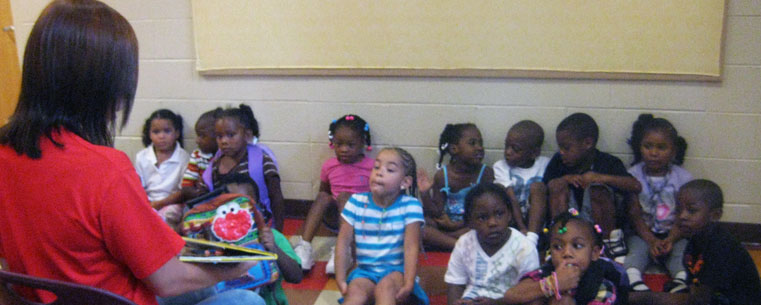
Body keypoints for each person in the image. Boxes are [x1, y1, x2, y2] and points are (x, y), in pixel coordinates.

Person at [0, 1, 264, 304]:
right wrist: (240, 264)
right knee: (246, 300)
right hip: (119, 298)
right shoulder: (103, 169)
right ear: (105, 86)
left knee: (204, 286)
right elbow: (167, 279)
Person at [629, 180, 761, 305]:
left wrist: (642, 298)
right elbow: (695, 285)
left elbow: (699, 300)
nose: (682, 216)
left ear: (715, 215)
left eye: (691, 211)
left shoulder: (722, 247)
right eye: (679, 210)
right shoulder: (694, 241)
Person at [335, 147, 429, 305]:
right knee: (355, 292)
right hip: (365, 272)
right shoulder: (356, 202)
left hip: (396, 272)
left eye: (390, 169)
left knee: (385, 289)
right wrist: (340, 277)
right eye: (376, 167)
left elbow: (411, 247)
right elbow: (343, 243)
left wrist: (409, 282)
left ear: (405, 182)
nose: (379, 172)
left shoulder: (410, 206)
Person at [543, 113, 641, 258]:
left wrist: (600, 177)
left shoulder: (607, 161)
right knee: (557, 185)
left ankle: (608, 243)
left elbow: (635, 186)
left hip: (599, 219)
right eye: (560, 148)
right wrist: (566, 179)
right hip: (570, 217)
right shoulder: (558, 161)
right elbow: (546, 187)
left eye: (566, 148)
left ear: (588, 143)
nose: (561, 152)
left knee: (597, 188)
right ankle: (559, 241)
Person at [292, 114, 374, 273]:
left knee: (344, 197)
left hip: (361, 219)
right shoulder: (329, 166)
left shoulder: (371, 166)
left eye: (350, 145)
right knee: (323, 196)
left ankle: (344, 250)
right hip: (335, 217)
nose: (344, 149)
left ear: (363, 143)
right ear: (332, 143)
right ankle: (305, 247)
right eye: (339, 144)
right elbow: (324, 191)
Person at [624, 114, 692, 293]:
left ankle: (681, 281)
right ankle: (634, 281)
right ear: (640, 147)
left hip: (675, 232)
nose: (654, 153)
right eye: (648, 146)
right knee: (636, 252)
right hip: (643, 232)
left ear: (673, 150)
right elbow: (634, 214)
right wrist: (651, 240)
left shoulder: (683, 178)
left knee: (681, 253)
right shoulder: (632, 175)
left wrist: (671, 239)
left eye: (661, 147)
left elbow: (683, 215)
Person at [504, 211, 629, 305]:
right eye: (557, 247)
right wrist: (554, 284)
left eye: (577, 246)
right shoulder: (547, 272)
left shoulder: (602, 283)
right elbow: (510, 296)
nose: (567, 253)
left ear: (595, 253)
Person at [445, 183, 539, 305]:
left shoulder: (524, 247)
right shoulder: (464, 243)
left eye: (499, 214)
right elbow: (455, 284)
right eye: (482, 217)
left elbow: (532, 293)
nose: (492, 223)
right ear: (469, 222)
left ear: (509, 215)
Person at [199, 104, 285, 231]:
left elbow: (276, 198)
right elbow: (208, 199)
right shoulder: (215, 165)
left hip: (258, 227)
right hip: (223, 227)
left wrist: (278, 232)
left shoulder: (261, 160)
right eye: (219, 136)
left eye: (231, 135)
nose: (224, 141)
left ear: (247, 135)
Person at [419, 123, 495, 250]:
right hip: (447, 224)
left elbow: (487, 211)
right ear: (454, 149)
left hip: (471, 224)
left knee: (483, 226)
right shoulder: (442, 176)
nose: (479, 148)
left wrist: (455, 226)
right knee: (422, 227)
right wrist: (425, 193)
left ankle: (447, 241)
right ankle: (457, 244)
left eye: (480, 143)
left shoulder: (486, 173)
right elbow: (436, 211)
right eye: (472, 143)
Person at [153, 108, 223, 228]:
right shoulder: (197, 156)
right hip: (197, 202)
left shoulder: (226, 157)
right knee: (187, 221)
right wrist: (198, 194)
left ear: (217, 135)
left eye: (202, 136)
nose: (197, 140)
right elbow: (186, 187)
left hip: (220, 205)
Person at [493, 120, 550, 245]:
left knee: (538, 187)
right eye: (506, 146)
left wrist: (528, 232)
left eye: (515, 149)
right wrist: (522, 228)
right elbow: (511, 198)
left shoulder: (545, 164)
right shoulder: (501, 166)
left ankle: (532, 240)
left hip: (536, 221)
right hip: (512, 220)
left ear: (534, 153)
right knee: (499, 188)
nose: (508, 152)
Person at [134, 109, 190, 227]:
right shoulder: (142, 157)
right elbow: (138, 187)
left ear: (177, 133)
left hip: (172, 203)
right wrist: (146, 204)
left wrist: (158, 204)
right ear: (149, 134)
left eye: (167, 131)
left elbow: (182, 192)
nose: (161, 136)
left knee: (166, 217)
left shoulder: (183, 157)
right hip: (147, 202)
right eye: (156, 132)